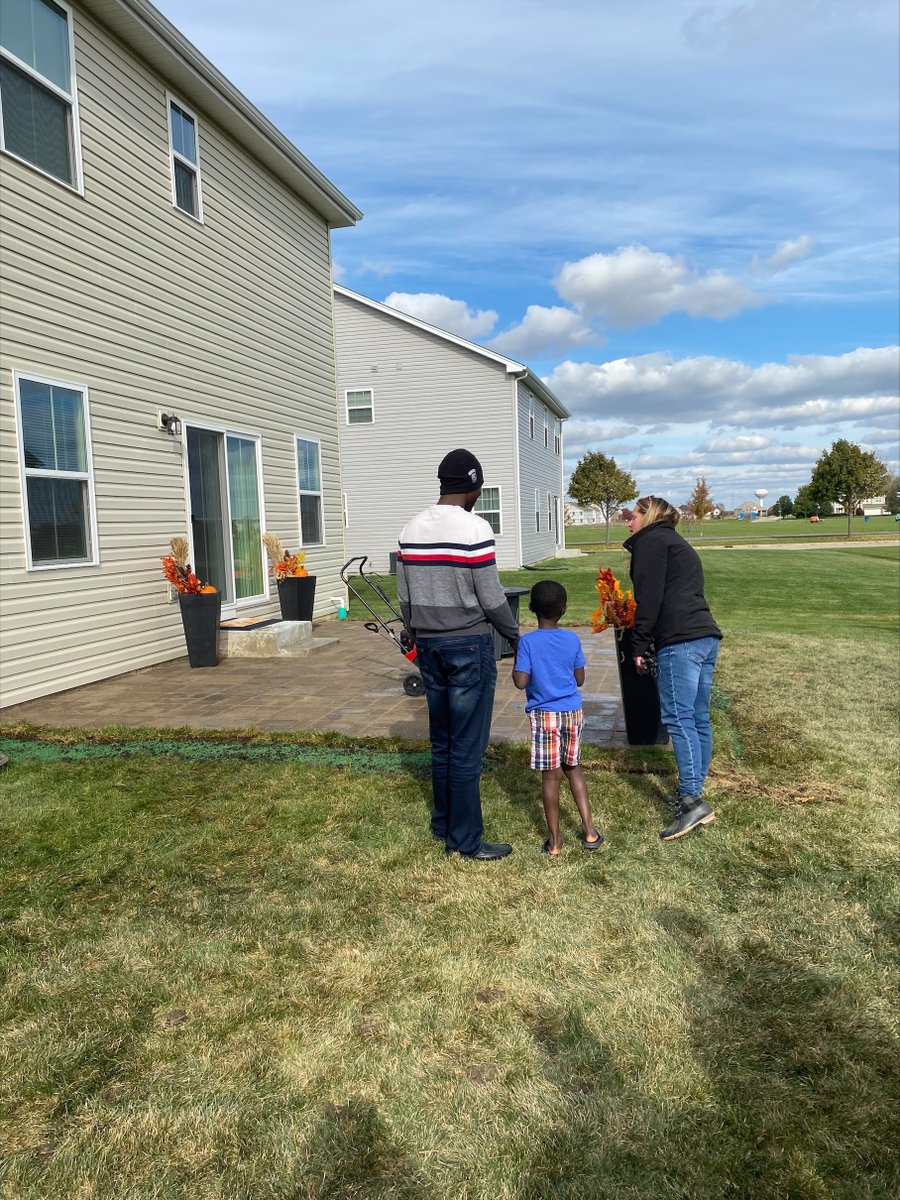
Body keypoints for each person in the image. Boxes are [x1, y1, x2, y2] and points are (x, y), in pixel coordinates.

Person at [396, 449, 519, 861]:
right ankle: (465, 841)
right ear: (473, 487)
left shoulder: (410, 529)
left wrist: (415, 635)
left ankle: (443, 823)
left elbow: (405, 597)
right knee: (467, 746)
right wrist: (517, 635)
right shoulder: (475, 529)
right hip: (468, 644)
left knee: (443, 741)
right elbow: (491, 596)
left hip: (428, 644)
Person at [623, 496, 723, 841]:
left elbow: (648, 599)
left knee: (679, 719)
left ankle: (692, 800)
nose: (627, 521)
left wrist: (638, 644)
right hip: (704, 636)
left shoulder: (651, 542)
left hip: (680, 640)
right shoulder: (675, 542)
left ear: (647, 515)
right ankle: (694, 791)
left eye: (631, 515)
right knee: (697, 718)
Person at [512, 581, 603, 856]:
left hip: (544, 716)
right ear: (563, 610)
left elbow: (520, 682)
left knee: (550, 778)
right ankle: (589, 831)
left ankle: (554, 842)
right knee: (573, 768)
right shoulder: (572, 639)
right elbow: (580, 679)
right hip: (572, 713)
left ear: (531, 609)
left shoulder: (527, 642)